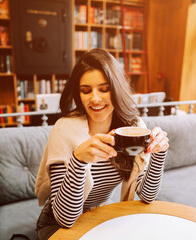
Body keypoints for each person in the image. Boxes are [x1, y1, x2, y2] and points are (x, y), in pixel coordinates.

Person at [35, 48, 169, 239]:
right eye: (86, 90)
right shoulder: (64, 130)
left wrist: (158, 153)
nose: (95, 98)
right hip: (57, 225)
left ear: (116, 88)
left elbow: (147, 195)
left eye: (104, 89)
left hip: (100, 216)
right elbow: (65, 218)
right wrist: (78, 161)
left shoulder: (133, 128)